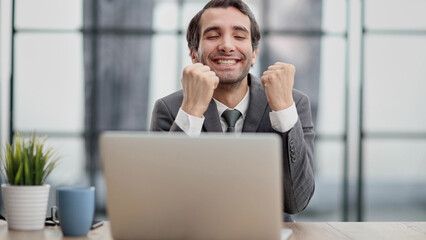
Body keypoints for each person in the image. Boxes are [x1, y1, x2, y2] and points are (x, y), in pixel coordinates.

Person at [150, 0, 314, 222]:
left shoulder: (294, 102)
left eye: (239, 36)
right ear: (194, 54)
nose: (227, 46)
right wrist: (191, 112)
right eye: (213, 36)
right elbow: (162, 202)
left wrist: (284, 111)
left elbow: (298, 201)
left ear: (254, 54)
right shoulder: (169, 109)